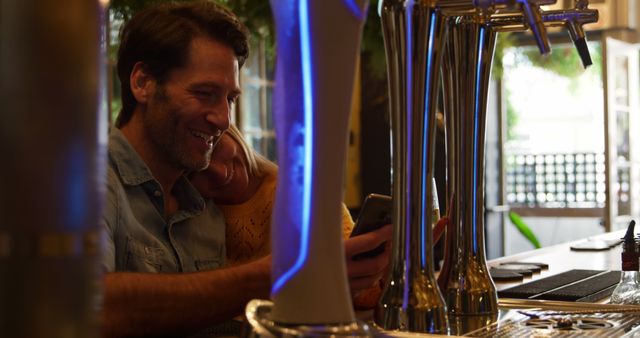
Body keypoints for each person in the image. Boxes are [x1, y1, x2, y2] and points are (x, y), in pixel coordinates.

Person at [101, 2, 392, 337]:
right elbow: (90, 307)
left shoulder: (208, 204)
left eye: (230, 99)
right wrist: (279, 273)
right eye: (205, 93)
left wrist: (361, 290)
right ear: (143, 83)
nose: (224, 120)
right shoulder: (90, 183)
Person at [189, 125, 385, 302]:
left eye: (215, 149)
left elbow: (364, 293)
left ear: (231, 131)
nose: (220, 173)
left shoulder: (304, 195)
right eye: (196, 171)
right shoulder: (189, 215)